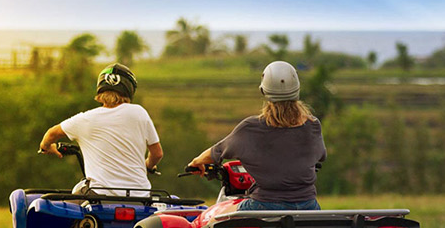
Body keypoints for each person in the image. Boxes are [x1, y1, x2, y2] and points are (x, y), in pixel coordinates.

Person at [188, 61, 326, 211]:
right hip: (308, 205)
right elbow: (321, 156)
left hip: (265, 205)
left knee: (214, 215)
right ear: (297, 89)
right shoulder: (313, 124)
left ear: (264, 91)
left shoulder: (251, 127)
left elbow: (218, 151)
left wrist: (196, 162)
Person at [39, 63, 163, 197]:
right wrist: (148, 166)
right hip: (140, 196)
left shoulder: (85, 119)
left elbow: (51, 134)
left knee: (66, 209)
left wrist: (47, 147)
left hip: (100, 195)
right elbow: (157, 154)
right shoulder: (139, 113)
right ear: (130, 89)